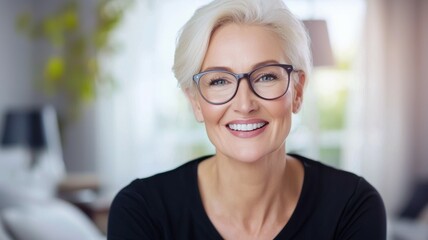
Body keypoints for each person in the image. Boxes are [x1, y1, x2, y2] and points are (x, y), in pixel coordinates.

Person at [107, 0, 386, 239]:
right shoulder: (142, 211)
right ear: (195, 101)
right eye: (219, 81)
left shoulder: (353, 207)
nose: (244, 104)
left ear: (298, 91)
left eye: (266, 76)